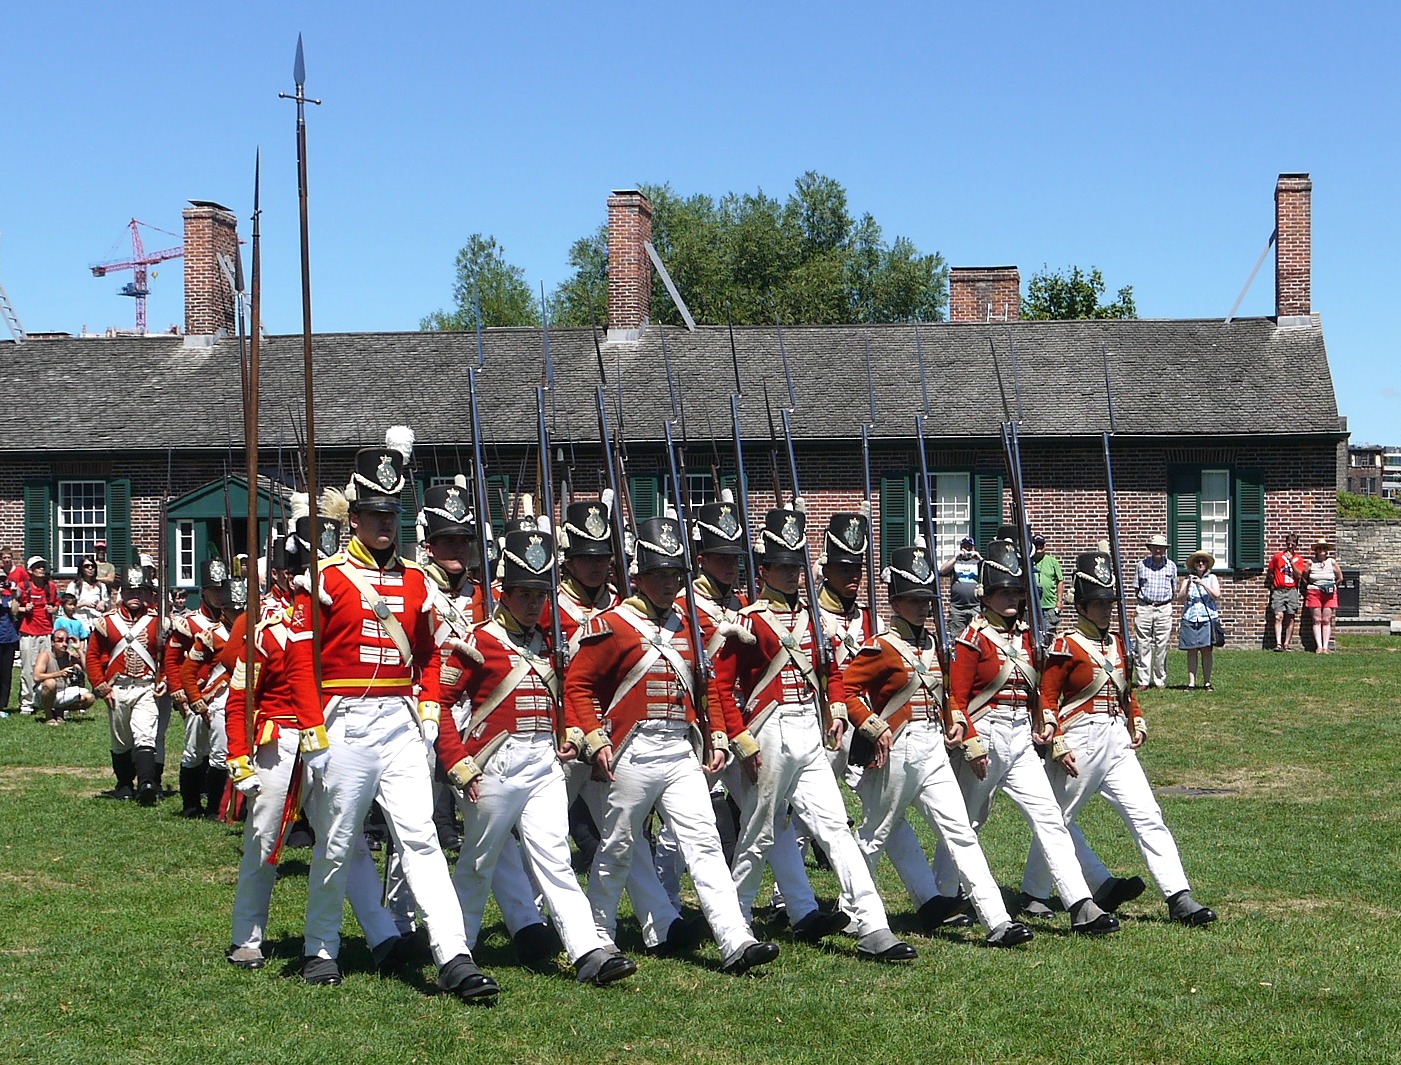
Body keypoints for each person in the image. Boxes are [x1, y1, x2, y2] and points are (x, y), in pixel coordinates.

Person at [289, 446, 497, 1000]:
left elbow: (428, 654)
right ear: (352, 518)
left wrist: (428, 706)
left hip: (401, 722)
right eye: (375, 514)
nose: (385, 523)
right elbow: (297, 660)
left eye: (392, 514)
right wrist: (312, 731)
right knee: (337, 841)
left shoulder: (414, 582)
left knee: (421, 838)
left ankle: (453, 953)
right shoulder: (325, 579)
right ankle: (321, 945)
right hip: (343, 722)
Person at [564, 515, 780, 976]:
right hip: (632, 749)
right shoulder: (611, 625)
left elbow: (708, 686)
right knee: (619, 845)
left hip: (680, 746)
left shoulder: (691, 624)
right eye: (659, 575)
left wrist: (716, 734)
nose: (667, 584)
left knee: (703, 840)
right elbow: (577, 685)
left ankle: (733, 937)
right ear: (638, 577)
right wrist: (594, 737)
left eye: (674, 575)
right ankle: (599, 937)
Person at [431, 527, 638, 987]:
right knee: (479, 863)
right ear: (505, 593)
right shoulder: (477, 640)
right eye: (523, 593)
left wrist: (569, 731)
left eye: (539, 594)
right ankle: (456, 952)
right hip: (493, 764)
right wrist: (457, 761)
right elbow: (439, 702)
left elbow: (566, 696)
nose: (532, 603)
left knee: (555, 857)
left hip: (543, 760)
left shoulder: (553, 643)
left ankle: (587, 950)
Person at [712, 507, 917, 963]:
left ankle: (873, 924)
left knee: (836, 829)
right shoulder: (748, 621)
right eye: (782, 567)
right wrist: (740, 739)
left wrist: (837, 708)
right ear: (764, 570)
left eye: (795, 566)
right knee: (760, 833)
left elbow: (830, 673)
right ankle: (737, 920)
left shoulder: (813, 618)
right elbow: (722, 687)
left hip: (810, 729)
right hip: (767, 732)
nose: (791, 575)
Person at [224, 497, 411, 973]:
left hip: (336, 737)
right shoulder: (263, 627)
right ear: (286, 573)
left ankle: (382, 934)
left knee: (342, 839)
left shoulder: (338, 609)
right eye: (295, 570)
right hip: (281, 743)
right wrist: (240, 756)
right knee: (266, 840)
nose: (300, 578)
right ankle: (247, 937)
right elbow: (238, 698)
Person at [928, 530, 1119, 935]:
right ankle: (944, 894)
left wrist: (1050, 727)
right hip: (984, 736)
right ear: (986, 596)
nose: (1013, 600)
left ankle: (1080, 903)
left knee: (1049, 817)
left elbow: (1038, 694)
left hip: (1020, 739)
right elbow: (956, 698)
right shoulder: (972, 640)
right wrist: (971, 741)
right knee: (967, 821)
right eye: (1005, 593)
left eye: (1017, 593)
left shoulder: (1030, 640)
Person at [843, 544, 1034, 947]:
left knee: (960, 832)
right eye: (913, 601)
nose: (922, 609)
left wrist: (956, 726)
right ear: (895, 602)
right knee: (875, 835)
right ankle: (850, 912)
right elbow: (847, 689)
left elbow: (947, 695)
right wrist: (871, 725)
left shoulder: (936, 645)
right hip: (898, 747)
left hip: (932, 748)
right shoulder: (880, 647)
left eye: (927, 601)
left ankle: (996, 920)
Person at [1021, 549, 1216, 926]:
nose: (1106, 609)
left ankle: (1178, 896)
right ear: (1081, 605)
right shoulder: (1065, 645)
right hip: (1079, 738)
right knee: (1057, 818)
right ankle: (1034, 892)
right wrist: (1057, 739)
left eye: (1109, 601)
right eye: (1098, 602)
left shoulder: (1116, 643)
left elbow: (1126, 692)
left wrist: (1137, 719)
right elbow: (1047, 697)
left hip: (1116, 739)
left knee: (1147, 816)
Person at [87, 567, 165, 804]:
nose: (135, 596)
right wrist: (101, 686)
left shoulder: (158, 621)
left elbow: (166, 657)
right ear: (122, 592)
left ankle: (146, 783)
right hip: (117, 687)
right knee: (121, 739)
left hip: (145, 686)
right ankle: (123, 783)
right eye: (131, 590)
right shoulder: (106, 622)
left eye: (140, 591)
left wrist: (164, 680)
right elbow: (92, 655)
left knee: (145, 733)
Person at [166, 560, 234, 819]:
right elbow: (173, 661)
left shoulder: (238, 625)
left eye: (222, 590)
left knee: (221, 751)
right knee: (193, 751)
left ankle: (217, 804)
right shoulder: (189, 623)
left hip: (225, 696)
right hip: (198, 694)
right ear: (203, 592)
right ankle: (191, 803)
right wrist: (179, 691)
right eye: (213, 590)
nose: (218, 595)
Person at [15, 556, 60, 713]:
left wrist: (52, 610)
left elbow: (57, 605)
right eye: (37, 566)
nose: (41, 569)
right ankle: (27, 702)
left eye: (42, 566)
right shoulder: (23, 587)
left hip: (47, 632)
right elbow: (13, 609)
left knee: (47, 669)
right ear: (30, 570)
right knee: (27, 669)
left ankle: (44, 699)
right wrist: (23, 608)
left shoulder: (51, 587)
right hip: (28, 632)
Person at [1132, 534, 1176, 689]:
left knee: (1161, 645)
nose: (1158, 550)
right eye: (1155, 547)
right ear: (1150, 548)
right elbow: (1136, 587)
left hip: (1164, 607)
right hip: (1145, 607)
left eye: (1161, 547)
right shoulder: (1141, 565)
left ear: (1165, 549)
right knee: (1142, 644)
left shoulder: (1171, 566)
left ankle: (1159, 680)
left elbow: (1173, 588)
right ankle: (1143, 680)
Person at [1176, 550, 1221, 690]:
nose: (1200, 564)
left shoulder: (1212, 578)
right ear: (1193, 564)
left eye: (1203, 561)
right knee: (1191, 650)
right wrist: (1189, 584)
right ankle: (1191, 682)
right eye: (1198, 561)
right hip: (1190, 617)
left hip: (1206, 618)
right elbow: (1181, 598)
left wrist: (1202, 584)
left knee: (1206, 650)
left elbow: (1216, 595)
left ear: (1207, 564)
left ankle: (1207, 682)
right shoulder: (1186, 579)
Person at [32, 630, 96, 723]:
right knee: (50, 683)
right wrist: (60, 673)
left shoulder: (68, 656)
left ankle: (59, 711)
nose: (64, 644)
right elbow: (36, 677)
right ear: (53, 643)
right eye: (60, 640)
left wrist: (79, 650)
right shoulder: (45, 655)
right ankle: (49, 715)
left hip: (62, 693)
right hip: (43, 694)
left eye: (66, 641)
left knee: (89, 698)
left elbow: (87, 670)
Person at [1265, 534, 1307, 651]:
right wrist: (1276, 582)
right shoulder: (1277, 557)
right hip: (1279, 591)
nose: (1290, 546)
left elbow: (1299, 575)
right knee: (1278, 616)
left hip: (1292, 590)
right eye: (1288, 543)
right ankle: (1278, 644)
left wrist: (1291, 562)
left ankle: (1287, 643)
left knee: (1290, 616)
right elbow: (1270, 572)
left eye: (1293, 544)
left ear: (1296, 545)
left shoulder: (1298, 559)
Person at [1304, 538, 1343, 654]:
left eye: (1324, 548)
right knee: (1317, 619)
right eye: (1319, 548)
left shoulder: (1332, 562)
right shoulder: (1311, 562)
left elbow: (1340, 577)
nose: (1322, 550)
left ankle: (1325, 647)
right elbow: (1304, 577)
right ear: (1316, 550)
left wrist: (1332, 586)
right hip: (1314, 592)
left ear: (1327, 551)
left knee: (1326, 619)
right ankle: (1319, 646)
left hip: (1329, 593)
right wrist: (1312, 586)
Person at [940, 535, 981, 635]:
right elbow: (942, 570)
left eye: (969, 547)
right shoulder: (955, 562)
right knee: (956, 636)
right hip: (957, 608)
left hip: (976, 606)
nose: (967, 549)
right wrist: (956, 557)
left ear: (974, 548)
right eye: (965, 547)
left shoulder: (978, 563)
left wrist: (979, 558)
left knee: (978, 634)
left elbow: (989, 570)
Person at [1030, 534, 1063, 646]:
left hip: (1049, 605)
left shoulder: (1053, 561)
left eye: (1041, 544)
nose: (1039, 547)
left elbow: (1060, 581)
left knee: (1050, 633)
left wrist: (1059, 601)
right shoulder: (1028, 561)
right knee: (1032, 633)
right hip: (1032, 606)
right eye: (1036, 544)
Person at [67, 557, 108, 628]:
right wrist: (83, 604)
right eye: (86, 566)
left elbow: (107, 606)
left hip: (96, 622)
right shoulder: (74, 585)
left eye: (93, 566)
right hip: (79, 621)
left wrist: (103, 603)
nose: (90, 568)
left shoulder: (101, 586)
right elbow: (67, 605)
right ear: (81, 569)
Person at [0, 577, 19, 713]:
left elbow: (15, 612)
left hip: (9, 639)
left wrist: (14, 594)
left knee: (6, 674)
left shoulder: (7, 599)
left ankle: (2, 705)